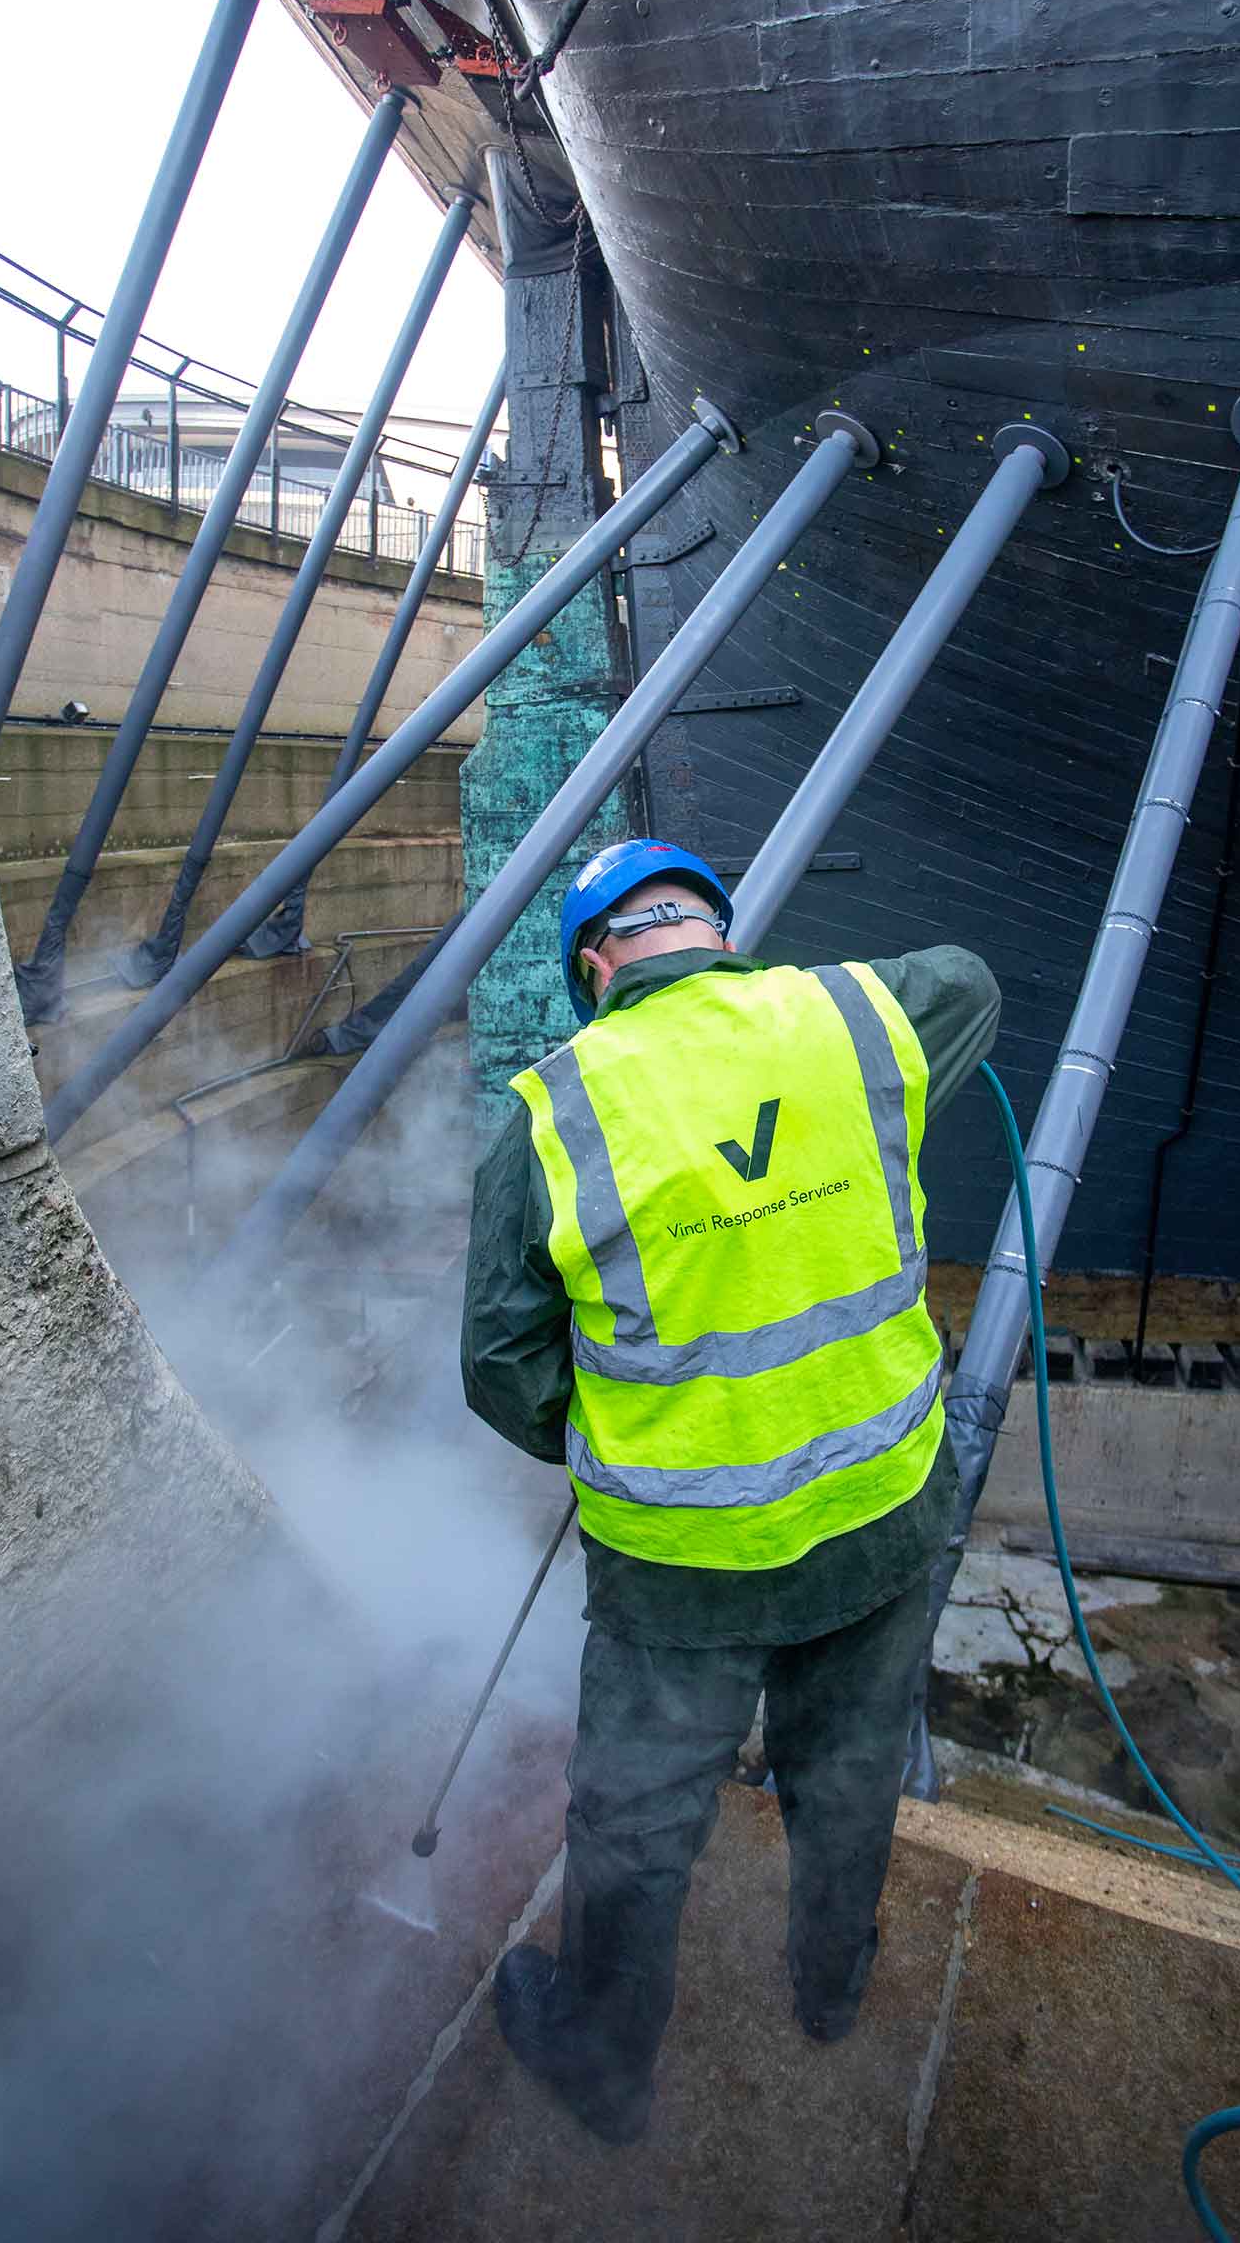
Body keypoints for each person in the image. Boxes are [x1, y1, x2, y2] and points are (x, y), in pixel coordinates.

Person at [460, 837, 1000, 2143]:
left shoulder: (549, 1116)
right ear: (714, 928)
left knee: (639, 1817)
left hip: (681, 1565)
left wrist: (607, 1428)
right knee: (852, 1764)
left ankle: (603, 2066)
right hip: (881, 1518)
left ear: (598, 967)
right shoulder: (856, 1017)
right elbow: (971, 982)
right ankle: (829, 1988)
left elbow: (500, 1368)